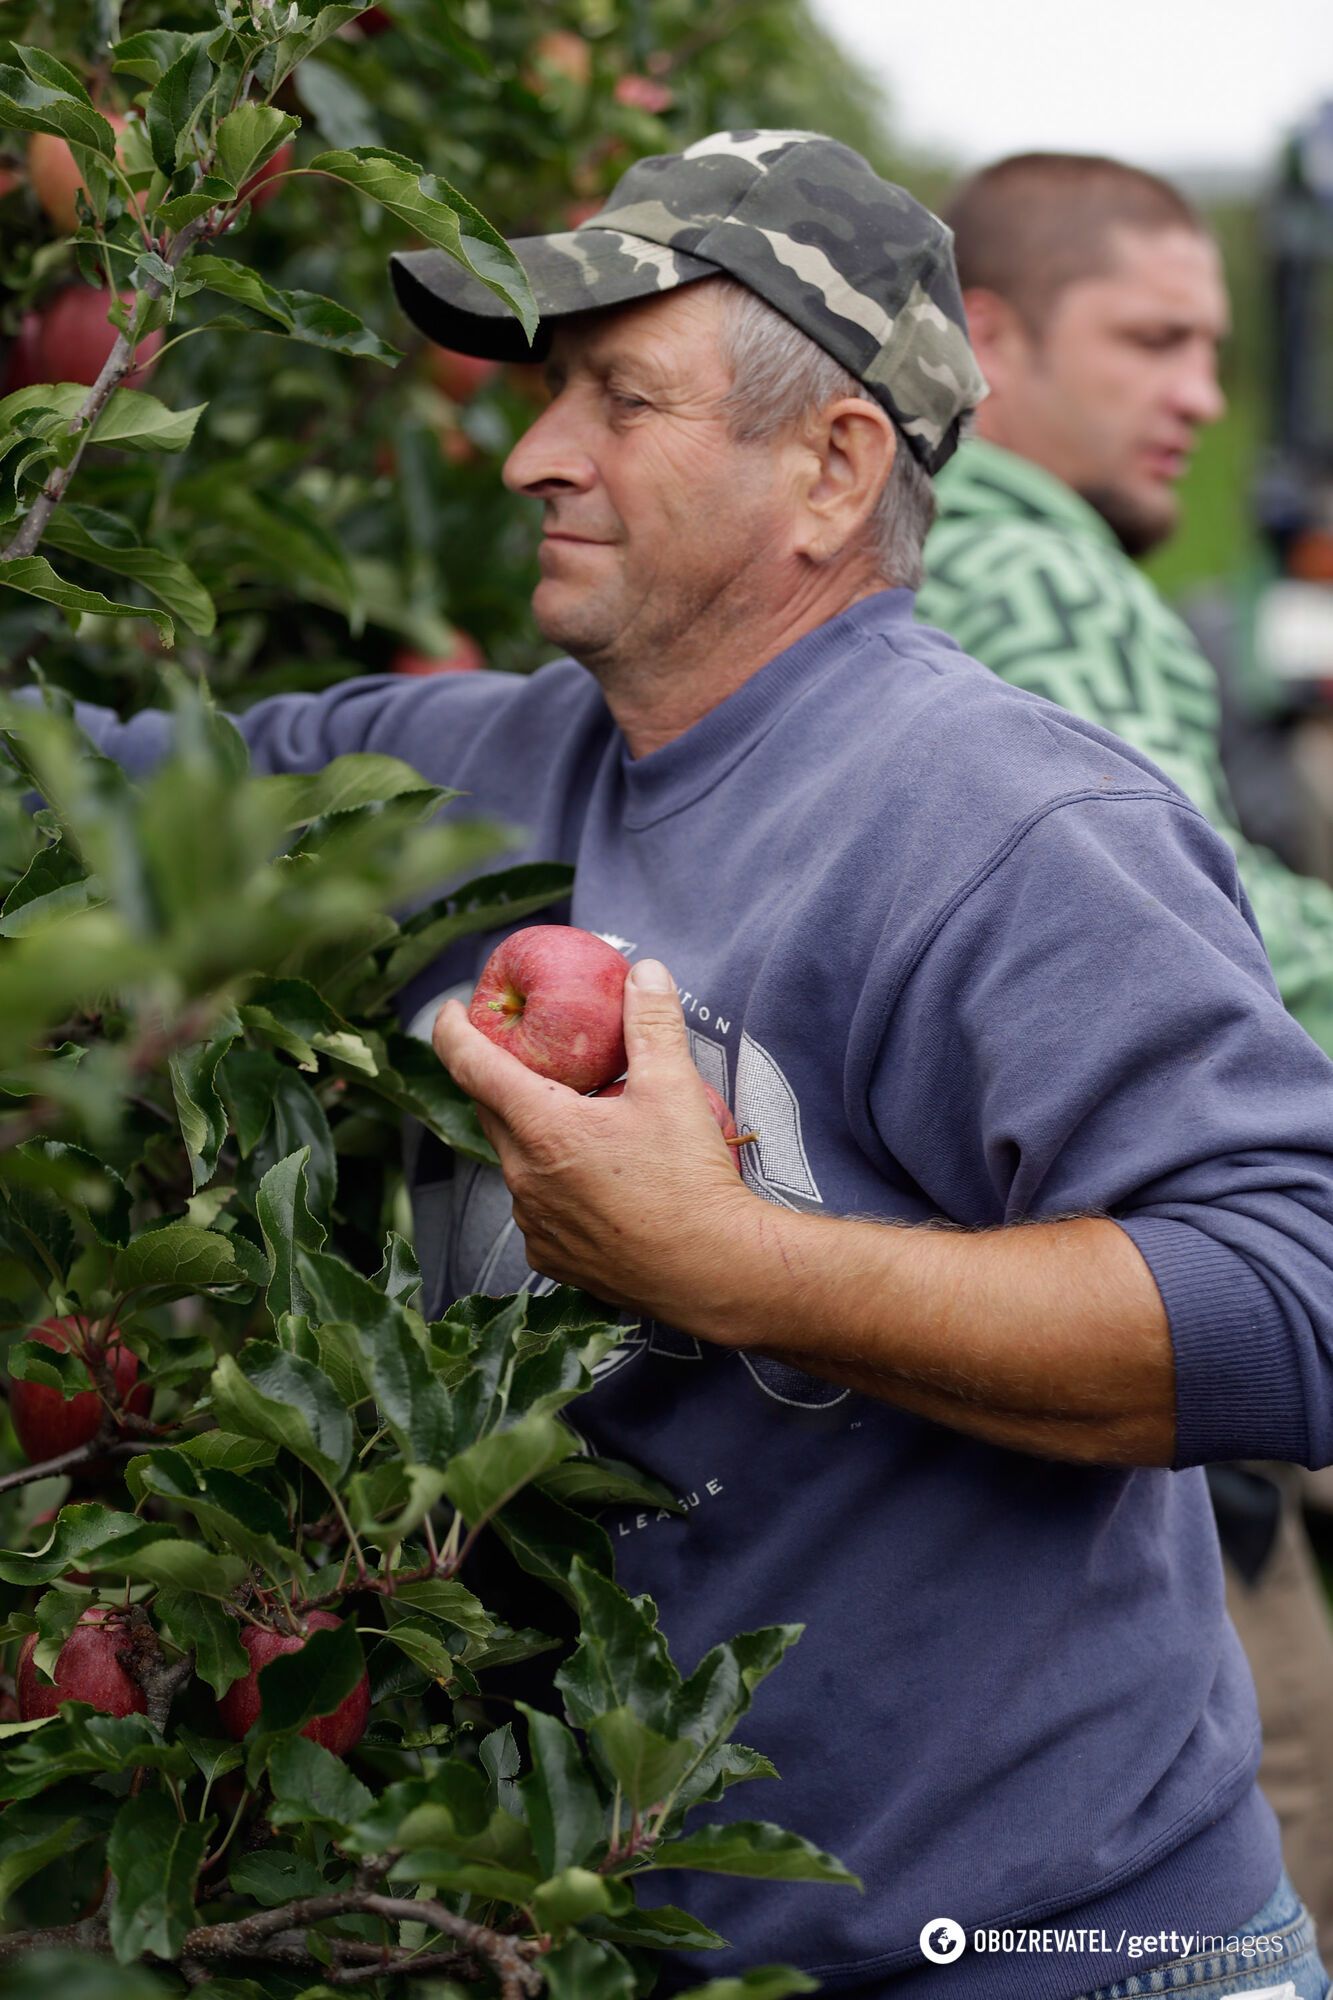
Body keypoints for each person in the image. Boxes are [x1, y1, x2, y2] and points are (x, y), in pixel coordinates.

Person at [42, 133, 1333, 2000]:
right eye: (550, 390)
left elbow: (1295, 1297)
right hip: (612, 1944)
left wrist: (738, 1266)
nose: (532, 452)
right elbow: (75, 781)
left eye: (618, 397)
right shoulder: (459, 771)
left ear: (831, 467)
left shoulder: (1006, 824)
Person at [914, 150, 1333, 1957]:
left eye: (1215, 348)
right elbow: (1189, 939)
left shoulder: (928, 569)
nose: (1203, 399)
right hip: (1131, 1332)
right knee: (1269, 1789)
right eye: (1151, 340)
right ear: (983, 339)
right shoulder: (1043, 574)